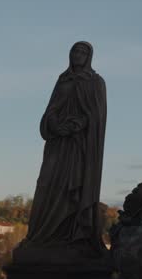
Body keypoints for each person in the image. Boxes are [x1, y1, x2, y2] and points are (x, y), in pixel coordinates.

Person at [22, 41, 107, 258]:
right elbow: (51, 109)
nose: (78, 55)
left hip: (79, 146)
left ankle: (72, 235)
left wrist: (78, 124)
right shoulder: (63, 80)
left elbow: (98, 115)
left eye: (83, 52)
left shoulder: (95, 82)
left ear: (89, 56)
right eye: (75, 51)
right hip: (58, 144)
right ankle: (42, 236)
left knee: (74, 187)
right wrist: (54, 123)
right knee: (47, 183)